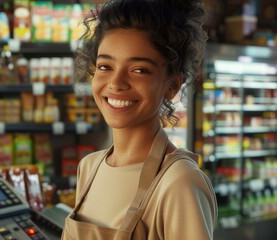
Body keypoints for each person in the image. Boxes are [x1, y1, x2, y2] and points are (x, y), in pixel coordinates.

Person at [61, 0, 218, 239]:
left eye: (139, 70)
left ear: (172, 85)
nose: (116, 83)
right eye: (105, 66)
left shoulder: (179, 181)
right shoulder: (89, 167)